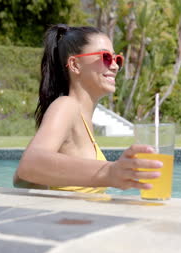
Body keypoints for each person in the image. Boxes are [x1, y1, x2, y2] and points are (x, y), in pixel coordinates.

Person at [14, 24, 162, 193]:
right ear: (75, 64)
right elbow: (30, 165)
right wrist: (109, 172)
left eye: (117, 59)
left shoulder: (82, 119)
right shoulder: (66, 106)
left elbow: (20, 178)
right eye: (106, 57)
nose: (114, 66)